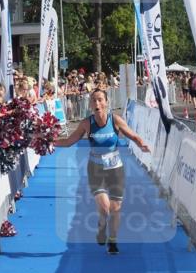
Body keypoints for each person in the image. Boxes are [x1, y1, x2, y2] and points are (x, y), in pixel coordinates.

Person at [53, 89, 150, 255]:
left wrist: (142, 144)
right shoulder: (86, 123)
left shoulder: (115, 120)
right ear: (90, 104)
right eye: (93, 101)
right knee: (105, 207)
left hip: (115, 168)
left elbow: (133, 136)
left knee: (116, 208)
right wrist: (48, 141)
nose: (97, 103)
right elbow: (69, 141)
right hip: (95, 168)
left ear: (106, 102)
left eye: (100, 100)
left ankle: (112, 241)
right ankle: (102, 225)